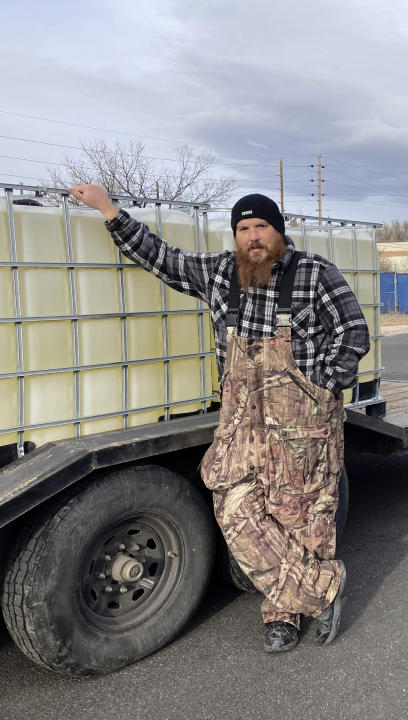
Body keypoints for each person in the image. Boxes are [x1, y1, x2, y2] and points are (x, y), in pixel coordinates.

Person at [69, 184, 370, 653]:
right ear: (236, 235)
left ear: (278, 232)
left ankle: (283, 615)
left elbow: (354, 331)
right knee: (235, 509)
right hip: (240, 424)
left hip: (301, 424)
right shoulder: (219, 273)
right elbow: (161, 258)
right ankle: (323, 589)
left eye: (262, 227)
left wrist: (324, 383)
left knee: (302, 516)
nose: (253, 237)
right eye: (244, 228)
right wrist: (109, 210)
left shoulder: (315, 273)